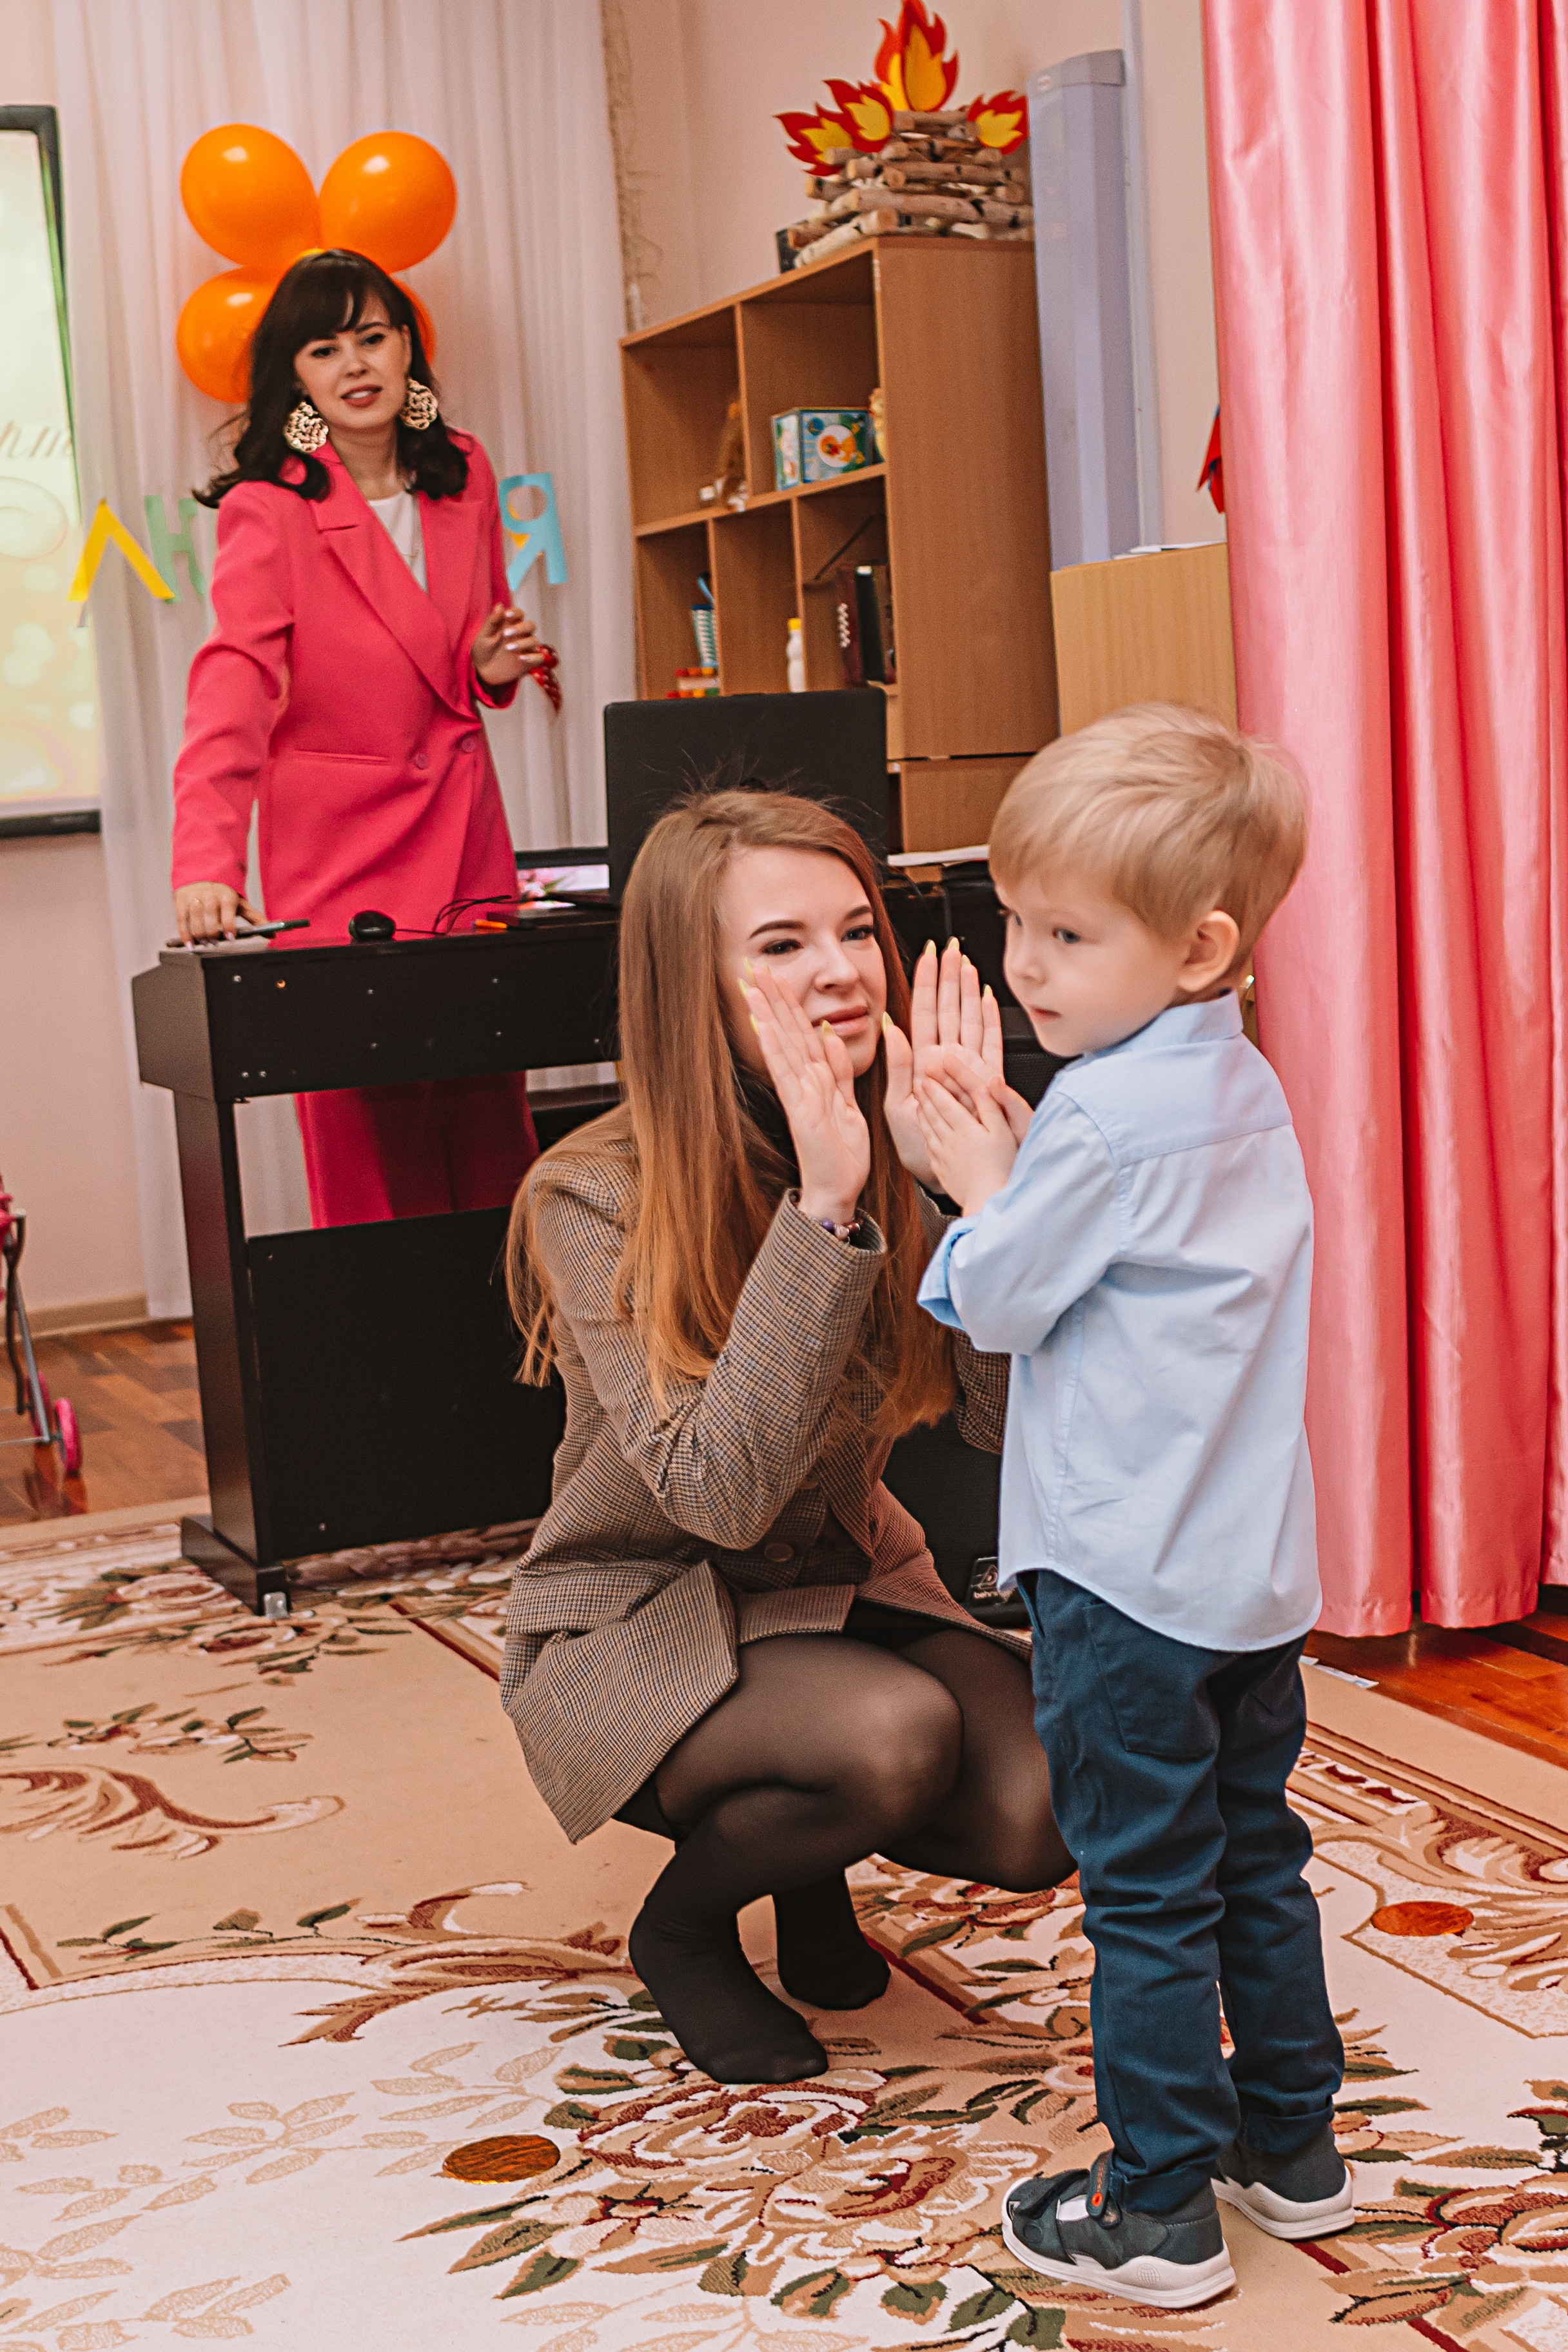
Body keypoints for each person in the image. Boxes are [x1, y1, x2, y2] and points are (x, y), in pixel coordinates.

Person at [500, 788, 1072, 2087]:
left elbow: (994, 1424)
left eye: (856, 931)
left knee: (1052, 1798)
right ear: (690, 981)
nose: (839, 974)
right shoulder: (591, 1193)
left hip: (847, 1582)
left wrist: (978, 1200)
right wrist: (821, 1210)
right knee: (890, 1738)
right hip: (646, 1615)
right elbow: (721, 1498)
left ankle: (808, 1861)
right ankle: (687, 1930)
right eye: (780, 945)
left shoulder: (902, 1126)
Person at [914, 705, 1351, 2313]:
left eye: (1066, 934)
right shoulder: (1237, 1085)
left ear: (1198, 945)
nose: (1025, 966)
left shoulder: (1097, 1117)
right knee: (1255, 1855)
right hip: (1246, 1577)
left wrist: (970, 1182)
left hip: (1118, 1584)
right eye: (1015, 922)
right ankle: (1293, 2150)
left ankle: (1157, 2206)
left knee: (1145, 1897)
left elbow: (1002, 1300)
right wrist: (1030, 1169)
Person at [171, 248, 543, 1226]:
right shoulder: (271, 507)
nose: (355, 363)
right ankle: (389, 1371)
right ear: (294, 378)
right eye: (323, 347)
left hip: (463, 843)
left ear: (407, 346)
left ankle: (519, 1364)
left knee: (491, 1130)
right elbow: (234, 685)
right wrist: (205, 861)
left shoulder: (463, 477)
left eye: (373, 336)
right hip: (342, 866)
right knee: (367, 1157)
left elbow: (460, 654)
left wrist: (491, 671)